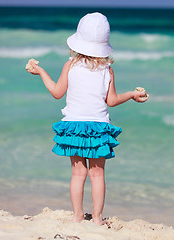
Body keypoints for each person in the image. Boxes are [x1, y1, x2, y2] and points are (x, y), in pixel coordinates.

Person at [27, 12, 149, 225]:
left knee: (77, 174)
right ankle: (98, 219)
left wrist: (41, 72)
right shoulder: (107, 70)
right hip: (98, 128)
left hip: (73, 127)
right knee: (97, 175)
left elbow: (57, 93)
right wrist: (132, 95)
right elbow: (111, 101)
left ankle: (77, 216)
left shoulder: (70, 66)